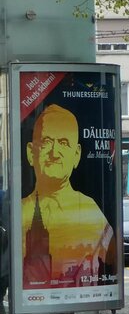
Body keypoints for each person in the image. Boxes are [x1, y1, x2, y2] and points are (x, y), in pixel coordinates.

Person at [21, 104, 116, 287]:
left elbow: (111, 261)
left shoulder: (92, 213)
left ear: (77, 155)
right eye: (46, 142)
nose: (54, 153)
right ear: (31, 153)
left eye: (63, 143)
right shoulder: (17, 212)